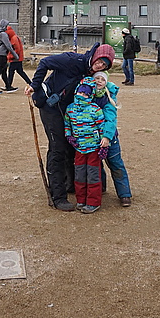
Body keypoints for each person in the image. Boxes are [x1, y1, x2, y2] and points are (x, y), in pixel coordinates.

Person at [25, 42, 115, 211]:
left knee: (73, 145)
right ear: (95, 55)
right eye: (100, 61)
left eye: (105, 65)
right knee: (58, 148)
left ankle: (73, 184)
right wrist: (34, 85)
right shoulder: (72, 60)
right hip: (50, 107)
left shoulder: (92, 74)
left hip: (71, 110)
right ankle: (58, 196)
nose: (100, 65)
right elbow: (45, 63)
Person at [64, 76, 113, 214]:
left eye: (86, 93)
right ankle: (81, 199)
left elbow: (102, 127)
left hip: (93, 148)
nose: (83, 95)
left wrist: (104, 144)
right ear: (76, 91)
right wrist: (69, 136)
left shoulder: (95, 109)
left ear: (91, 95)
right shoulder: (70, 109)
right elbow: (67, 124)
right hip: (79, 148)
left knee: (93, 175)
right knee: (79, 175)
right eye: (81, 92)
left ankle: (93, 202)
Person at [93, 70, 132, 207]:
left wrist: (107, 136)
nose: (98, 81)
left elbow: (110, 119)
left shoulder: (108, 99)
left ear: (106, 83)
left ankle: (124, 194)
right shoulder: (86, 96)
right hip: (92, 137)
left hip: (109, 138)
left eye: (102, 79)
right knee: (96, 165)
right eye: (96, 78)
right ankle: (101, 187)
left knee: (115, 164)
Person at [0, 20, 19, 94]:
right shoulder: (3, 34)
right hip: (1, 55)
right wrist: (16, 55)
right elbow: (8, 46)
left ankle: (8, 86)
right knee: (0, 71)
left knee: (3, 71)